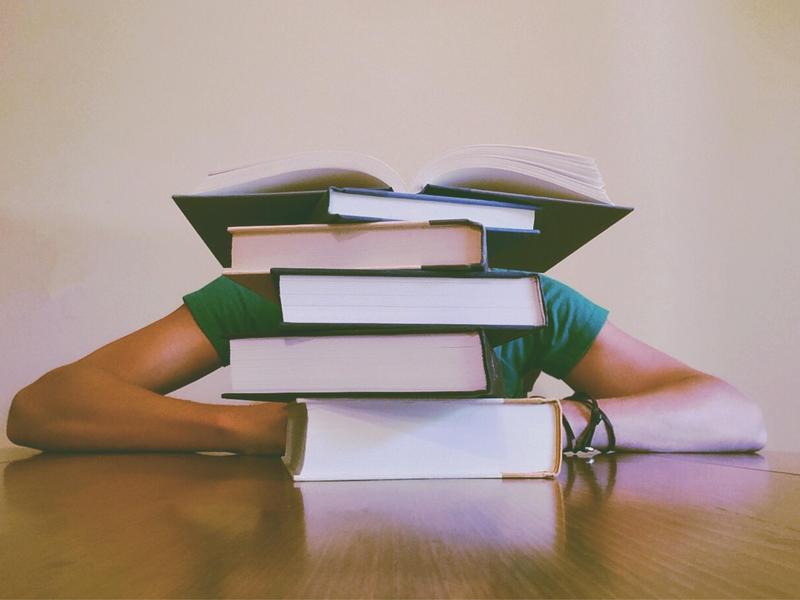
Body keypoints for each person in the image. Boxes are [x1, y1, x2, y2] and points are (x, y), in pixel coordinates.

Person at [7, 274, 767, 454]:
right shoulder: (266, 291)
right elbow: (42, 407)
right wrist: (266, 429)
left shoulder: (525, 302)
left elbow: (734, 413)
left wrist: (563, 422)